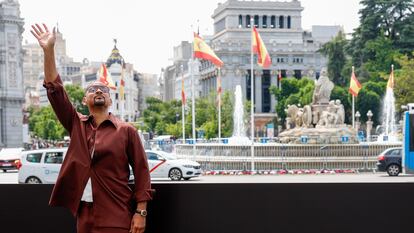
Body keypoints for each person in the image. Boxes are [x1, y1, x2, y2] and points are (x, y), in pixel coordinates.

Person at [31, 23, 153, 233]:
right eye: (93, 89)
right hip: (84, 214)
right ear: (85, 100)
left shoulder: (126, 131)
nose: (98, 91)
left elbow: (142, 172)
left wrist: (140, 212)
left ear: (110, 99)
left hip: (116, 212)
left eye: (103, 90)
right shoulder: (76, 124)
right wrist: (48, 50)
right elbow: (55, 90)